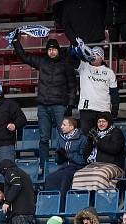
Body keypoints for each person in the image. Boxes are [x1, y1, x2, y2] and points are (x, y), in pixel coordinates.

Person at [13, 36, 76, 169]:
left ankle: (62, 163)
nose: (51, 52)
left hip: (60, 105)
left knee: (63, 135)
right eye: (49, 49)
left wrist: (70, 105)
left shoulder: (66, 64)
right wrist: (15, 42)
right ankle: (43, 165)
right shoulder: (41, 62)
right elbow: (24, 57)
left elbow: (72, 86)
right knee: (43, 138)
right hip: (43, 105)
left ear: (58, 50)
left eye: (54, 49)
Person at [72, 46, 119, 134]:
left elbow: (114, 92)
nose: (93, 56)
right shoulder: (83, 66)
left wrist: (115, 109)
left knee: (104, 138)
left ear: (102, 58)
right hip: (86, 109)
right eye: (92, 54)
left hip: (103, 110)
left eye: (96, 55)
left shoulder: (109, 72)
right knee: (87, 138)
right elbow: (72, 59)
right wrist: (74, 50)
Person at [46, 118, 88, 207]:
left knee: (65, 178)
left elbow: (82, 160)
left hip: (77, 167)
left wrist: (67, 155)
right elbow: (58, 161)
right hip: (64, 167)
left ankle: (62, 208)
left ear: (71, 127)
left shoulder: (82, 138)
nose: (61, 127)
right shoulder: (61, 139)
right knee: (49, 178)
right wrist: (59, 155)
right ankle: (51, 206)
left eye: (64, 125)